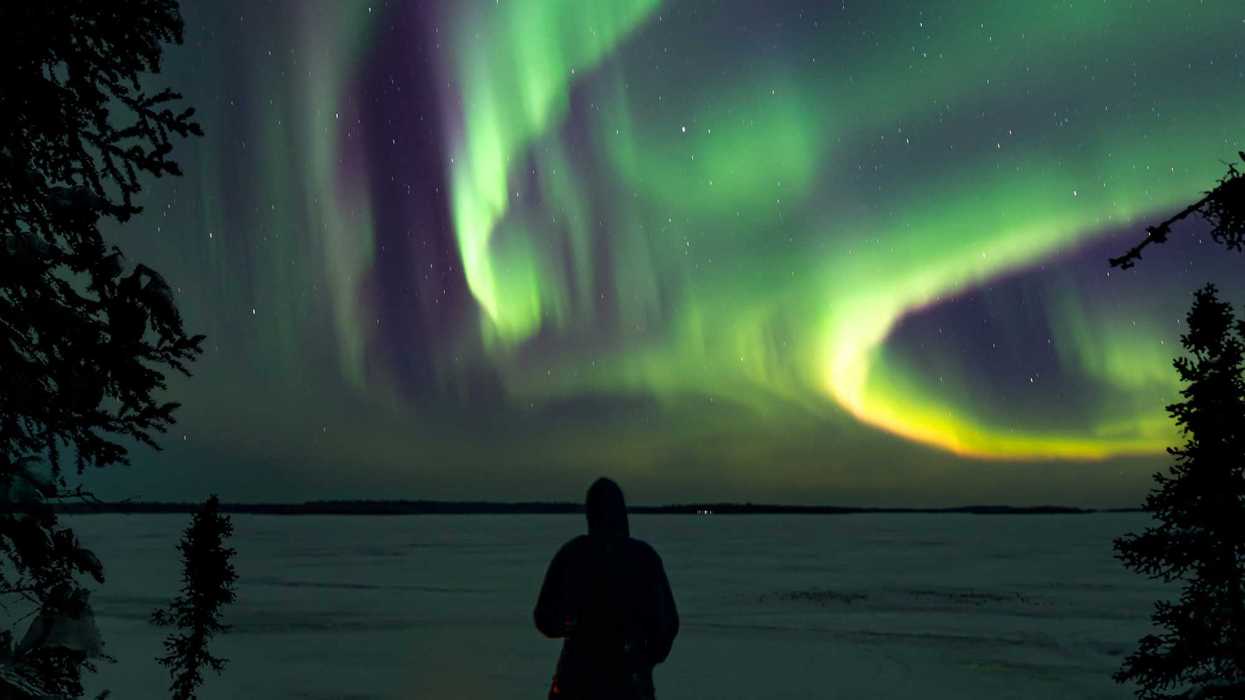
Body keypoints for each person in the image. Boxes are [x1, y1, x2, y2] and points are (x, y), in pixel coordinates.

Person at [534, 478, 679, 699]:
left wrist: (570, 626)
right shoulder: (644, 557)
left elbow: (543, 618)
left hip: (577, 681)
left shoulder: (571, 554)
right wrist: (646, 659)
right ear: (622, 512)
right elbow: (668, 623)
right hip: (630, 683)